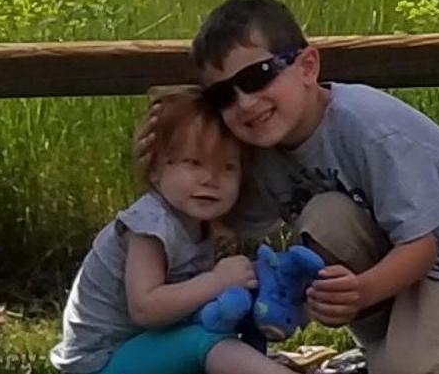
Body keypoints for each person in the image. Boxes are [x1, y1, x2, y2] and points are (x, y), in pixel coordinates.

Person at [188, 0, 439, 374]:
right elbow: (219, 227)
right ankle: (391, 348)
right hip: (406, 277)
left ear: (307, 66)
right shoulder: (260, 150)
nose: (244, 103)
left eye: (258, 77)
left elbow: (423, 245)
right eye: (222, 96)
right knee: (326, 215)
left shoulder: (370, 130)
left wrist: (361, 292)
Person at [51, 89, 284, 374]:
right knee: (207, 343)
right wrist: (217, 281)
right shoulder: (149, 224)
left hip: (145, 348)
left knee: (234, 323)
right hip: (102, 362)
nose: (211, 179)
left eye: (228, 167)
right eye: (194, 162)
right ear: (155, 170)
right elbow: (145, 308)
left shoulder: (203, 222)